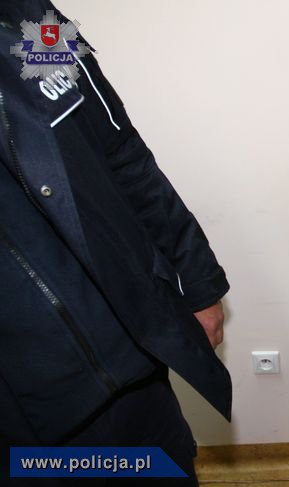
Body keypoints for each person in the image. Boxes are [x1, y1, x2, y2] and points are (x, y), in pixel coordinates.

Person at [0, 1, 231, 485]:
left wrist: (198, 283)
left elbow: (123, 149)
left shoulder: (32, 17)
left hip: (130, 359)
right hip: (29, 409)